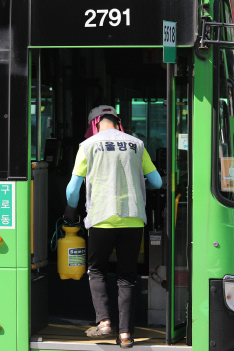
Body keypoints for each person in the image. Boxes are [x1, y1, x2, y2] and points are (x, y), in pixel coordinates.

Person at [64, 105, 162, 349]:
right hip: (133, 219)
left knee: (96, 270)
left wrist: (70, 210)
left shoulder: (88, 146)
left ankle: (104, 322)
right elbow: (157, 182)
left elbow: (72, 190)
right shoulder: (136, 144)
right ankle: (126, 335)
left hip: (101, 218)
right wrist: (137, 187)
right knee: (127, 276)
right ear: (117, 122)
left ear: (95, 123)